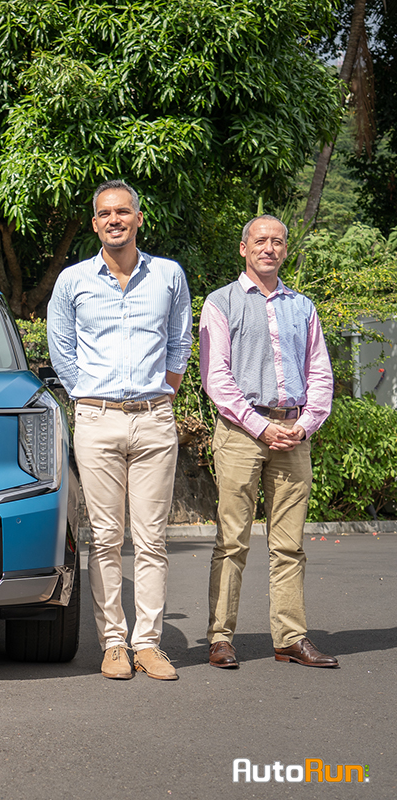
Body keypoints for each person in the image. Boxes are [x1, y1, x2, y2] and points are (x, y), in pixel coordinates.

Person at [47, 179, 192, 681]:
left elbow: (180, 343)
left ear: (138, 218)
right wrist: (87, 397)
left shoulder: (169, 276)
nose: (114, 220)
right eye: (105, 213)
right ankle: (113, 643)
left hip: (154, 418)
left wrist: (164, 394)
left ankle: (147, 643)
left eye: (123, 212)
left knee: (151, 539)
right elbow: (62, 351)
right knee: (105, 538)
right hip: (97, 419)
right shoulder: (73, 282)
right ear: (95, 224)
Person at [199, 215, 337, 669]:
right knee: (232, 541)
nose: (270, 248)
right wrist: (259, 426)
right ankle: (220, 638)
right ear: (244, 248)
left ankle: (290, 639)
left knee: (289, 545)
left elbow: (319, 372)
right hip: (242, 433)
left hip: (294, 435)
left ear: (284, 250)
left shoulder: (303, 307)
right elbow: (215, 378)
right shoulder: (221, 303)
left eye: (278, 241)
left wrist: (307, 423)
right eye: (261, 240)